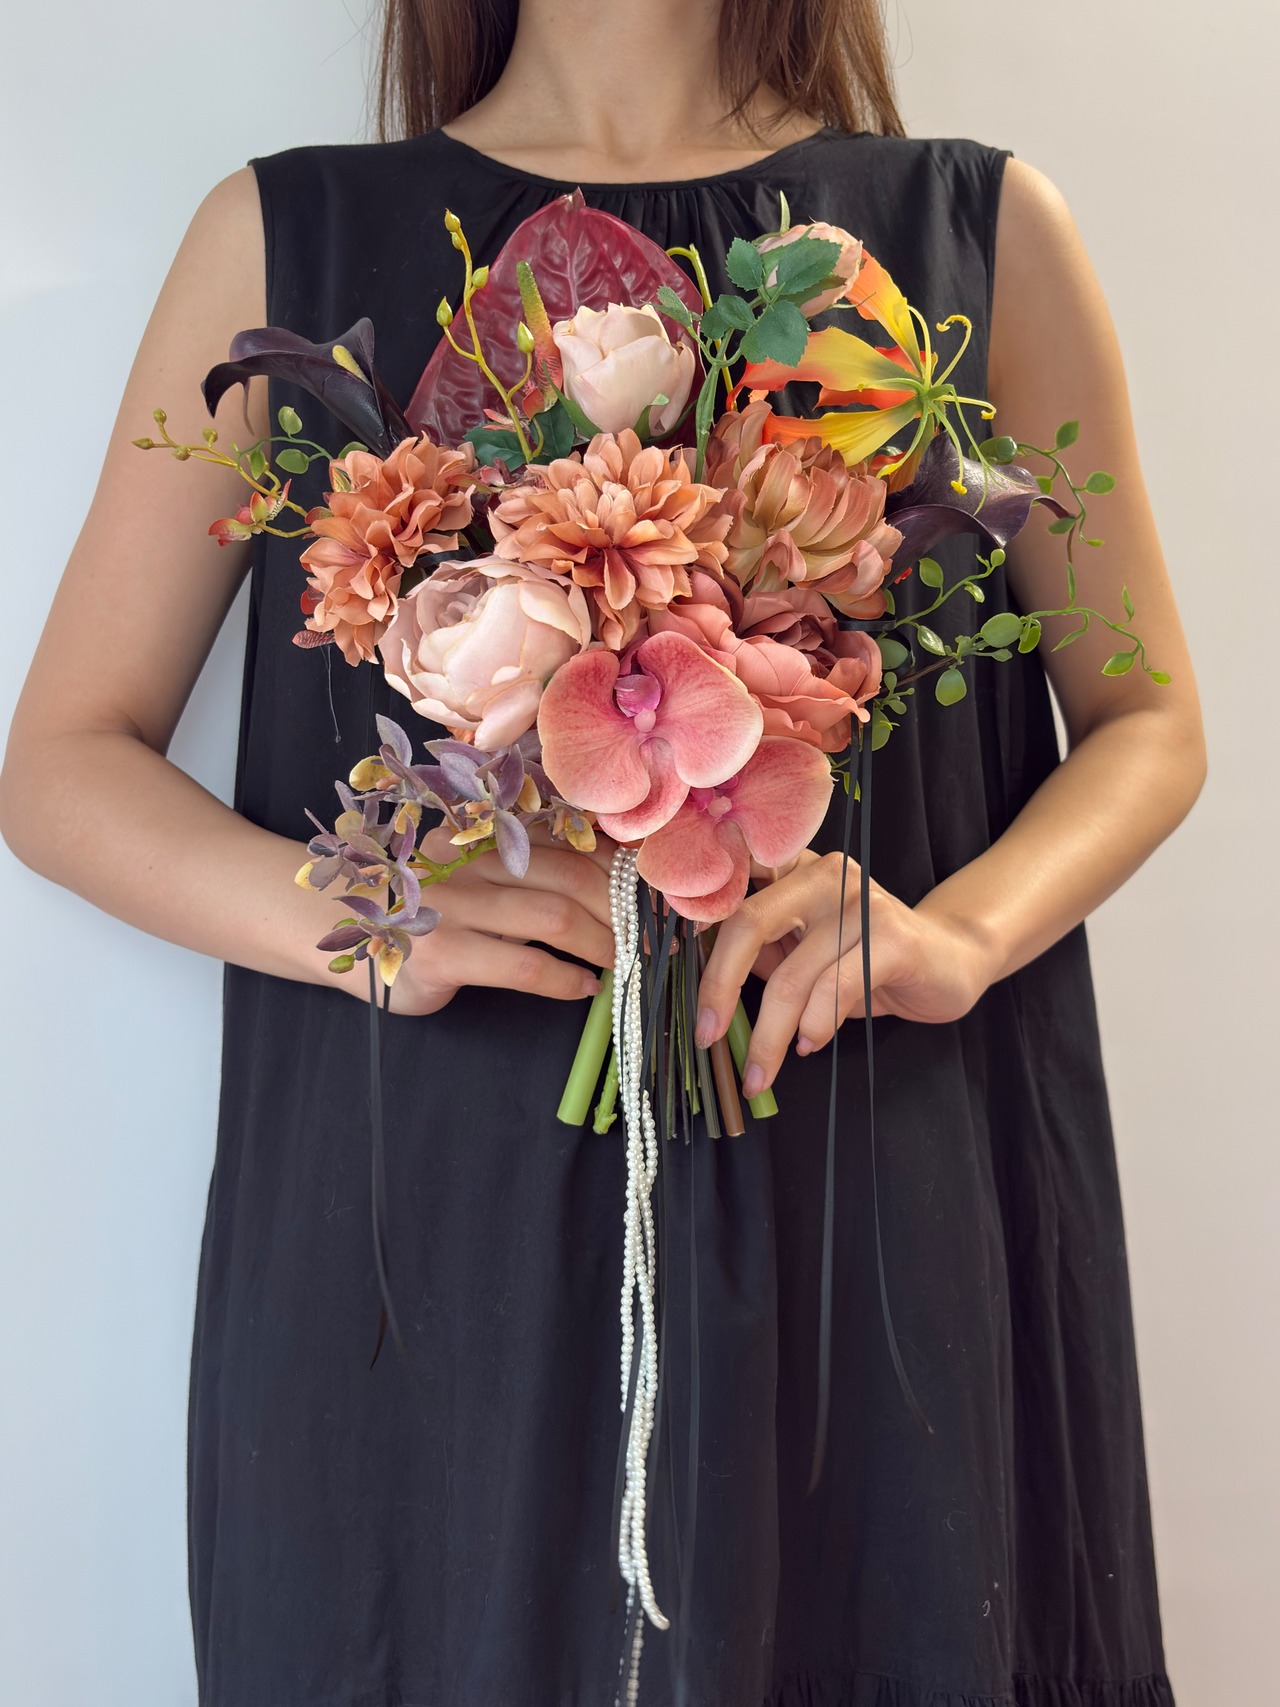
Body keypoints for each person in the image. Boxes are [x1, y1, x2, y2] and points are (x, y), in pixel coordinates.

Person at [0, 1, 1204, 1703]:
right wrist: (371, 917)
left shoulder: (971, 235)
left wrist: (962, 935)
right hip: (431, 1235)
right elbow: (61, 767)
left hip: (868, 1191)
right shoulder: (283, 235)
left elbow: (1150, 720)